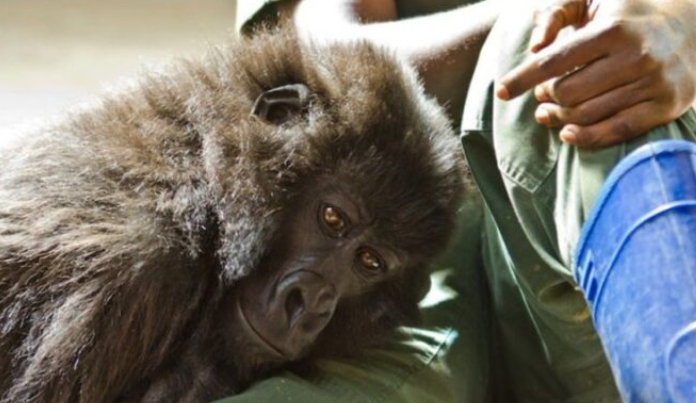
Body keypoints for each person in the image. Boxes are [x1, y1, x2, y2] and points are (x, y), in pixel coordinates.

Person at [221, 1, 696, 402]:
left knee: (581, 59)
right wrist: (533, 11)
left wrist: (680, 18)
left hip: (598, 282)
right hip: (395, 302)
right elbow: (329, 59)